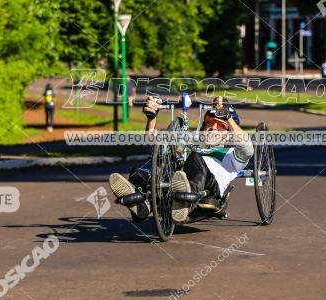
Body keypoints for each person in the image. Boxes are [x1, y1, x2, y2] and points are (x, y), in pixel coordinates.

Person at [108, 95, 253, 224]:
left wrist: (227, 117)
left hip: (208, 190)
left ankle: (184, 200)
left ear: (229, 134)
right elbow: (154, 145)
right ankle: (142, 203)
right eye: (209, 122)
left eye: (221, 125)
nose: (213, 127)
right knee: (143, 168)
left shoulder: (232, 153)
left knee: (194, 157)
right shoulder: (192, 142)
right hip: (174, 182)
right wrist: (151, 119)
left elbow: (247, 148)